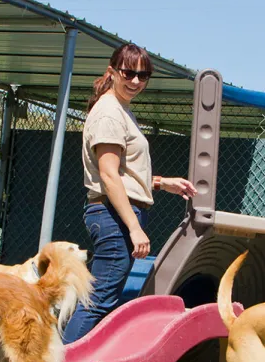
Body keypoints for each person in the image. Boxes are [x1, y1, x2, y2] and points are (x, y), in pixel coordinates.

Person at [61, 43, 197, 344]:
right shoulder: (109, 113)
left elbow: (122, 173)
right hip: (114, 217)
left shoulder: (120, 109)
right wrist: (134, 228)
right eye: (128, 73)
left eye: (143, 75)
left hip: (116, 214)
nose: (135, 81)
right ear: (112, 72)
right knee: (98, 303)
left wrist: (161, 183)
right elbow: (108, 176)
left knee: (99, 301)